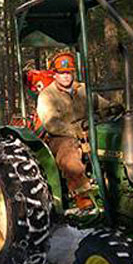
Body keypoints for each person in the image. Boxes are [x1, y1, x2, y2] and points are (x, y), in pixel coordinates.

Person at [37, 51, 114, 210]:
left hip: (89, 130)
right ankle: (83, 195)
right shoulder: (47, 95)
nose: (66, 76)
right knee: (69, 152)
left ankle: (112, 183)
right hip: (61, 136)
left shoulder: (83, 89)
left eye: (68, 72)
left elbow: (103, 104)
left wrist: (113, 107)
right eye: (61, 72)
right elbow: (51, 123)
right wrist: (75, 131)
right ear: (55, 74)